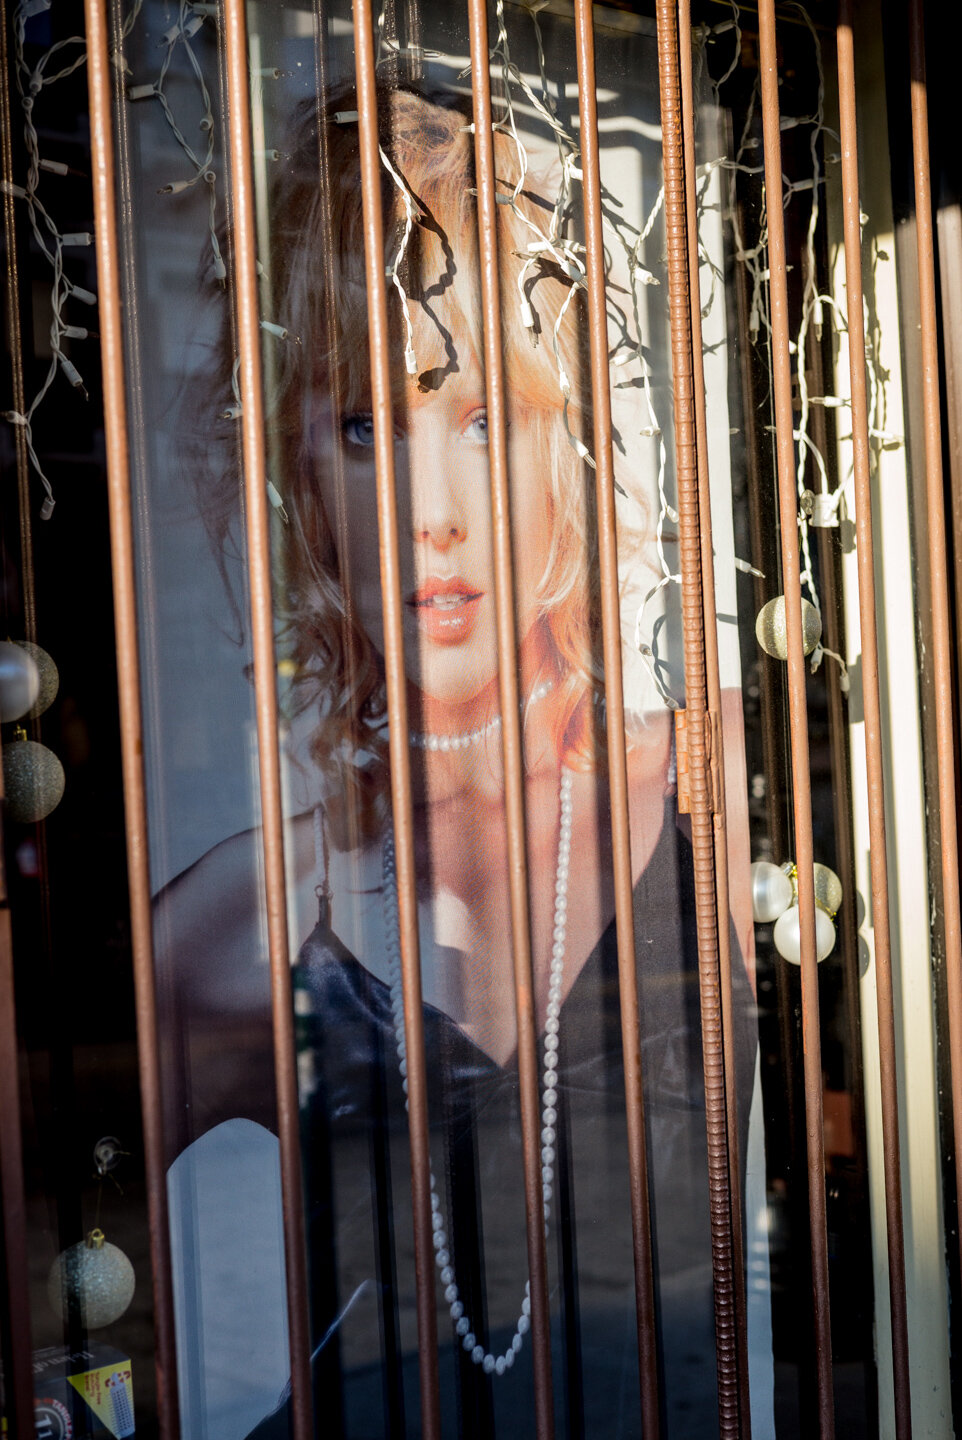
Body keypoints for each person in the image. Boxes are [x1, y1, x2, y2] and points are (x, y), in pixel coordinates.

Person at [160, 81, 757, 1439]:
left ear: (568, 449)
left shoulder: (695, 787)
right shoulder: (248, 912)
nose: (434, 515)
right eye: (366, 428)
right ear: (298, 471)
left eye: (487, 420)